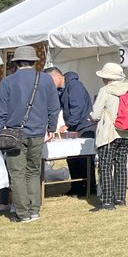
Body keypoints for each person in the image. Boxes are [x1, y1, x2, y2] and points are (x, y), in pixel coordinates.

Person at [0, 45, 60, 224]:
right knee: (33, 171)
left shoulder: (7, 81)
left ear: (15, 63)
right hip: (38, 132)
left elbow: (0, 112)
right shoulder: (45, 79)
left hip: (13, 133)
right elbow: (54, 106)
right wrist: (51, 128)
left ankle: (23, 213)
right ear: (34, 61)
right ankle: (34, 210)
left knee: (17, 173)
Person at [45, 66, 97, 197]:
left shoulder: (74, 86)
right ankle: (76, 186)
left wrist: (68, 124)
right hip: (75, 128)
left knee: (84, 159)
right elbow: (56, 107)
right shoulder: (62, 90)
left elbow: (77, 107)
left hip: (84, 127)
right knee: (72, 158)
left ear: (58, 76)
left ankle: (89, 187)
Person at [90, 62, 128, 211]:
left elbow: (96, 115)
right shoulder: (127, 89)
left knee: (105, 166)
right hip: (125, 132)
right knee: (121, 165)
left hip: (109, 133)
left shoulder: (105, 91)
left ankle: (107, 201)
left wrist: (91, 116)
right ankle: (120, 198)